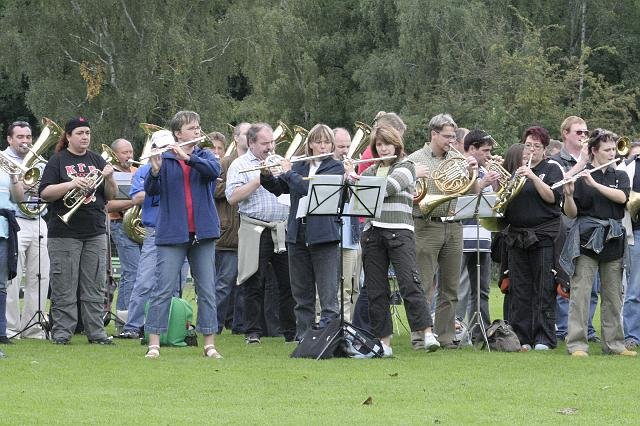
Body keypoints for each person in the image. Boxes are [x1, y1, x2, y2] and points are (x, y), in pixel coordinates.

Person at [345, 124, 438, 357]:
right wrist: (350, 179)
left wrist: (359, 182)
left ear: (396, 144)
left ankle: (427, 333)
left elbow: (388, 187)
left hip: (399, 232)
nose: (383, 148)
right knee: (376, 290)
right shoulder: (370, 171)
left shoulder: (406, 166)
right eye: (379, 144)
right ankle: (383, 344)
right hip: (372, 232)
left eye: (387, 143)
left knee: (410, 284)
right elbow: (357, 198)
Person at [143, 111, 222, 359]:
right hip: (172, 233)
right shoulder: (164, 159)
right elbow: (152, 192)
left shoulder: (204, 155)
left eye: (199, 127)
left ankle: (209, 343)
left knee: (207, 289)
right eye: (192, 128)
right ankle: (154, 342)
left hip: (203, 233)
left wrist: (186, 157)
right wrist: (155, 171)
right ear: (178, 133)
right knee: (162, 288)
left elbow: (212, 171)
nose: (198, 132)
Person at [39, 116, 118, 345]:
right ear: (69, 136)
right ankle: (62, 333)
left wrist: (110, 177)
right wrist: (73, 184)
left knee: (94, 284)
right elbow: (45, 193)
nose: (85, 137)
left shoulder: (97, 160)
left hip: (94, 231)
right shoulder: (57, 161)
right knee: (64, 284)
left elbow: (110, 196)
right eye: (80, 133)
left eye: (88, 133)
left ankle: (97, 333)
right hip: (64, 232)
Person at [261, 124, 343, 338]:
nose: (322, 146)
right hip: (297, 235)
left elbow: (308, 189)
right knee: (301, 293)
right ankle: (304, 337)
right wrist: (266, 175)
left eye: (327, 142)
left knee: (327, 295)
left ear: (332, 145)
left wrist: (288, 172)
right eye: (318, 141)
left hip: (324, 236)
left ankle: (328, 338)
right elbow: (280, 188)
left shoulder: (335, 167)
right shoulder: (300, 166)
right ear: (311, 144)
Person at [560, 129, 636, 357]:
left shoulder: (619, 175)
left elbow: (622, 199)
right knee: (581, 295)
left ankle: (614, 344)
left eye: (614, 149)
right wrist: (570, 195)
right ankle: (577, 344)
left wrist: (593, 183)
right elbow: (571, 214)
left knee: (613, 296)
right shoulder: (581, 177)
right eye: (607, 150)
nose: (613, 153)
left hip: (612, 239)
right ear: (594, 151)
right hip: (586, 240)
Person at [407, 113, 478, 349]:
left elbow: (469, 192)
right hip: (426, 224)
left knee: (451, 288)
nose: (451, 141)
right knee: (424, 285)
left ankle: (446, 338)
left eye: (453, 136)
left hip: (454, 224)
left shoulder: (457, 159)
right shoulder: (416, 159)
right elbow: (412, 197)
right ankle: (420, 338)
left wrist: (471, 173)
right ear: (433, 134)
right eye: (447, 136)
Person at [226, 123, 296, 344]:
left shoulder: (279, 160)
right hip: (255, 228)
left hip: (281, 228)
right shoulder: (239, 165)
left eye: (272, 142)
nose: (270, 147)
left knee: (288, 282)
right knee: (253, 281)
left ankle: (290, 331)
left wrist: (286, 172)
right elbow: (232, 197)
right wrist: (260, 179)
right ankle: (253, 332)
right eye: (265, 143)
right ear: (252, 143)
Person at [115, 130, 189, 339]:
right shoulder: (144, 170)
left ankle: (171, 326)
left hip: (179, 229)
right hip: (155, 230)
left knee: (176, 283)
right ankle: (133, 325)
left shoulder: (182, 167)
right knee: (145, 280)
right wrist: (159, 184)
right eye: (161, 148)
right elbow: (137, 196)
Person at [503, 126, 563, 351]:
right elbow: (505, 201)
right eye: (528, 145)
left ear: (544, 149)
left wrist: (534, 177)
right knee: (520, 289)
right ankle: (522, 337)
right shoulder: (517, 171)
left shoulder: (552, 168)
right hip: (517, 236)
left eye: (536, 146)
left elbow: (551, 198)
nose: (531, 150)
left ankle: (543, 338)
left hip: (542, 235)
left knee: (543, 287)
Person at [551, 116, 599, 342]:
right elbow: (556, 187)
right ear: (565, 134)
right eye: (578, 132)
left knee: (592, 283)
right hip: (567, 226)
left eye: (585, 132)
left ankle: (587, 329)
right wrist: (581, 163)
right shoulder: (556, 160)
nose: (583, 136)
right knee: (566, 280)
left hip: (591, 228)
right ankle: (563, 328)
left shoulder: (594, 160)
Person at [4, 121, 50, 339]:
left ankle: (33, 328)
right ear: (10, 139)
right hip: (14, 222)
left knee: (40, 276)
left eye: (28, 137)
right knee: (12, 276)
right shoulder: (2, 160)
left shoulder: (41, 163)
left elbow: (47, 191)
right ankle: (11, 327)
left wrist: (39, 188)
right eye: (20, 137)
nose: (25, 141)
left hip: (39, 219)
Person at [458, 129, 500, 341]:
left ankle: (480, 332)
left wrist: (496, 183)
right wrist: (482, 184)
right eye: (485, 151)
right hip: (461, 235)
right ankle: (453, 332)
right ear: (471, 149)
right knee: (454, 289)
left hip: (483, 236)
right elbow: (459, 196)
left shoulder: (485, 170)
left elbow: (497, 202)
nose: (489, 155)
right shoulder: (458, 166)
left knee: (481, 290)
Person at [213, 122, 250, 334]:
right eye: (246, 134)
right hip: (228, 233)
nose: (250, 137)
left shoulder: (259, 162)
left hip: (249, 231)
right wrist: (239, 184)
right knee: (223, 284)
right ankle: (213, 326)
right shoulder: (225, 162)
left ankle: (240, 326)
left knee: (245, 285)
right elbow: (214, 190)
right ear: (236, 138)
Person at [106, 138, 141, 325]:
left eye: (130, 152)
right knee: (132, 272)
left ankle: (137, 319)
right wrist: (133, 201)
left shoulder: (138, 171)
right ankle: (123, 321)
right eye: (124, 153)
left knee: (142, 273)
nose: (129, 156)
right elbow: (108, 205)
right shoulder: (111, 173)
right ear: (114, 154)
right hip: (120, 223)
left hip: (139, 225)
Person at [332, 127, 360, 321]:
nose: (345, 150)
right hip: (331, 232)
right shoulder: (326, 167)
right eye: (341, 146)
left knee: (349, 285)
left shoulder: (352, 166)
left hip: (350, 234)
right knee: (327, 285)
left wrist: (353, 177)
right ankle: (324, 325)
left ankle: (347, 324)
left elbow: (358, 199)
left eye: (348, 146)